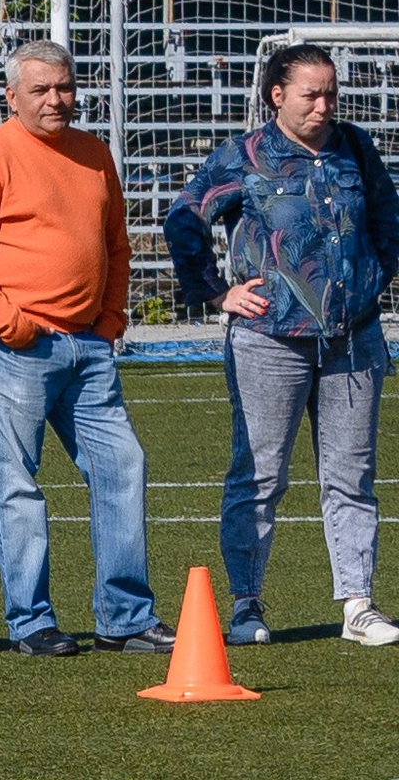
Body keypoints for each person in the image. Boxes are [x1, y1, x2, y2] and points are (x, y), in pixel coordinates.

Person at [0, 39, 173, 657]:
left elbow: (117, 245)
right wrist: (9, 324)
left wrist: (112, 318)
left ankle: (123, 617)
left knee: (124, 466)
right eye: (40, 90)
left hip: (90, 349)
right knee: (17, 483)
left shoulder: (94, 153)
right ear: (12, 96)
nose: (55, 100)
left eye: (64, 87)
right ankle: (31, 621)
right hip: (19, 349)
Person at [163, 42, 399, 647]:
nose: (325, 105)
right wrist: (217, 293)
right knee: (261, 474)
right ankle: (247, 604)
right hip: (269, 341)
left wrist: (371, 284)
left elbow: (387, 221)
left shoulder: (355, 149)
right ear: (277, 95)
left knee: (352, 475)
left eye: (332, 94)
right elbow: (184, 216)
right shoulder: (244, 157)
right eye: (311, 94)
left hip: (354, 341)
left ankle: (358, 604)